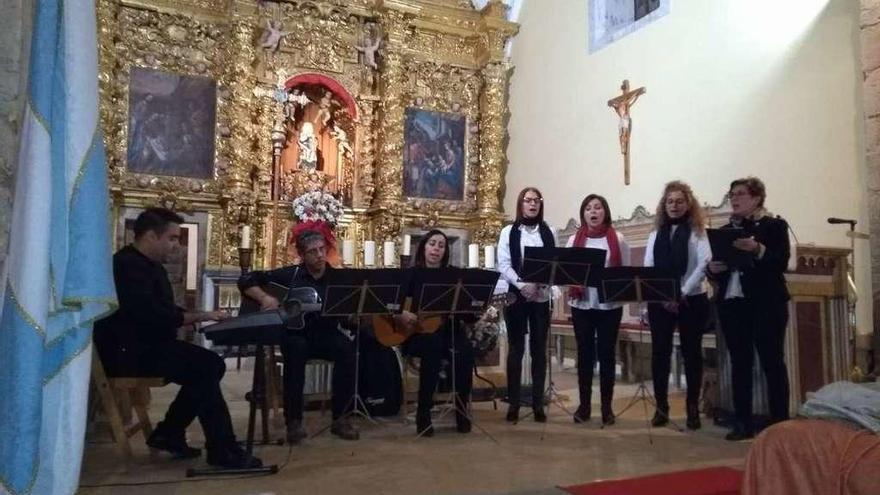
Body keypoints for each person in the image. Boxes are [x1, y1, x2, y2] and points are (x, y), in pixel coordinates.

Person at [94, 208, 261, 469]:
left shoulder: (149, 266)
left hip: (146, 346)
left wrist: (198, 317)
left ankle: (171, 433)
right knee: (207, 366)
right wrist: (199, 316)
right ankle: (219, 448)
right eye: (172, 238)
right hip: (126, 352)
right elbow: (150, 315)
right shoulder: (126, 266)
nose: (176, 245)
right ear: (150, 235)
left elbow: (163, 311)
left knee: (207, 365)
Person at [239, 230, 359, 444]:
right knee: (296, 351)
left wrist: (354, 315)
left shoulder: (338, 278)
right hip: (297, 334)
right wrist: (265, 297)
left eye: (322, 249)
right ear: (303, 255)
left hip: (326, 334)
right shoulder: (290, 275)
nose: (320, 255)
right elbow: (246, 279)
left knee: (347, 350)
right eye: (313, 252)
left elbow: (347, 314)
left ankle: (341, 418)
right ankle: (293, 421)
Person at [707, 177, 791, 441]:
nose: (734, 198)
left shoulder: (774, 225)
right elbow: (718, 267)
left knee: (772, 362)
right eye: (732, 194)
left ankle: (780, 421)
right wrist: (713, 269)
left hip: (766, 303)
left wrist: (758, 249)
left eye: (741, 194)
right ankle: (742, 421)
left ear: (757, 198)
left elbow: (780, 262)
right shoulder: (724, 231)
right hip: (734, 304)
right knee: (739, 363)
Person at [643, 181, 711, 430]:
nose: (674, 206)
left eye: (679, 201)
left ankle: (692, 408)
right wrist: (661, 294)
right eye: (669, 201)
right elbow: (650, 265)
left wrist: (680, 292)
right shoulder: (655, 233)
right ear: (664, 205)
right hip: (660, 299)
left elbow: (704, 264)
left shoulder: (698, 231)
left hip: (691, 299)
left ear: (688, 204)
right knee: (660, 353)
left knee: (691, 353)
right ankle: (661, 407)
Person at [396, 230, 475, 436]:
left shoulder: (455, 275)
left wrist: (477, 309)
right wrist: (401, 313)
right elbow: (391, 303)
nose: (436, 249)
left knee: (465, 350)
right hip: (415, 334)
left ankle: (461, 409)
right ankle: (424, 413)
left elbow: (467, 316)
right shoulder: (411, 273)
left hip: (449, 331)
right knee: (432, 345)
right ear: (423, 247)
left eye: (441, 245)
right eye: (433, 244)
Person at [566, 194, 631, 425]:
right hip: (581, 304)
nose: (593, 212)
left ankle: (606, 408)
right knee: (584, 356)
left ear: (605, 212)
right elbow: (566, 271)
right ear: (583, 213)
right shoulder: (574, 239)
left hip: (609, 305)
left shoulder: (618, 238)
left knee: (606, 356)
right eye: (588, 208)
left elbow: (624, 272)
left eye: (598, 207)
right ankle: (584, 407)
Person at [497, 187, 556, 423]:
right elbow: (504, 264)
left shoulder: (549, 231)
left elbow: (554, 261)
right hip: (517, 296)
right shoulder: (508, 231)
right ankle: (513, 404)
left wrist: (539, 285)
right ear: (520, 204)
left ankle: (537, 403)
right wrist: (523, 286)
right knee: (516, 349)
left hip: (541, 296)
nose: (532, 204)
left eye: (536, 200)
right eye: (528, 200)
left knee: (539, 350)